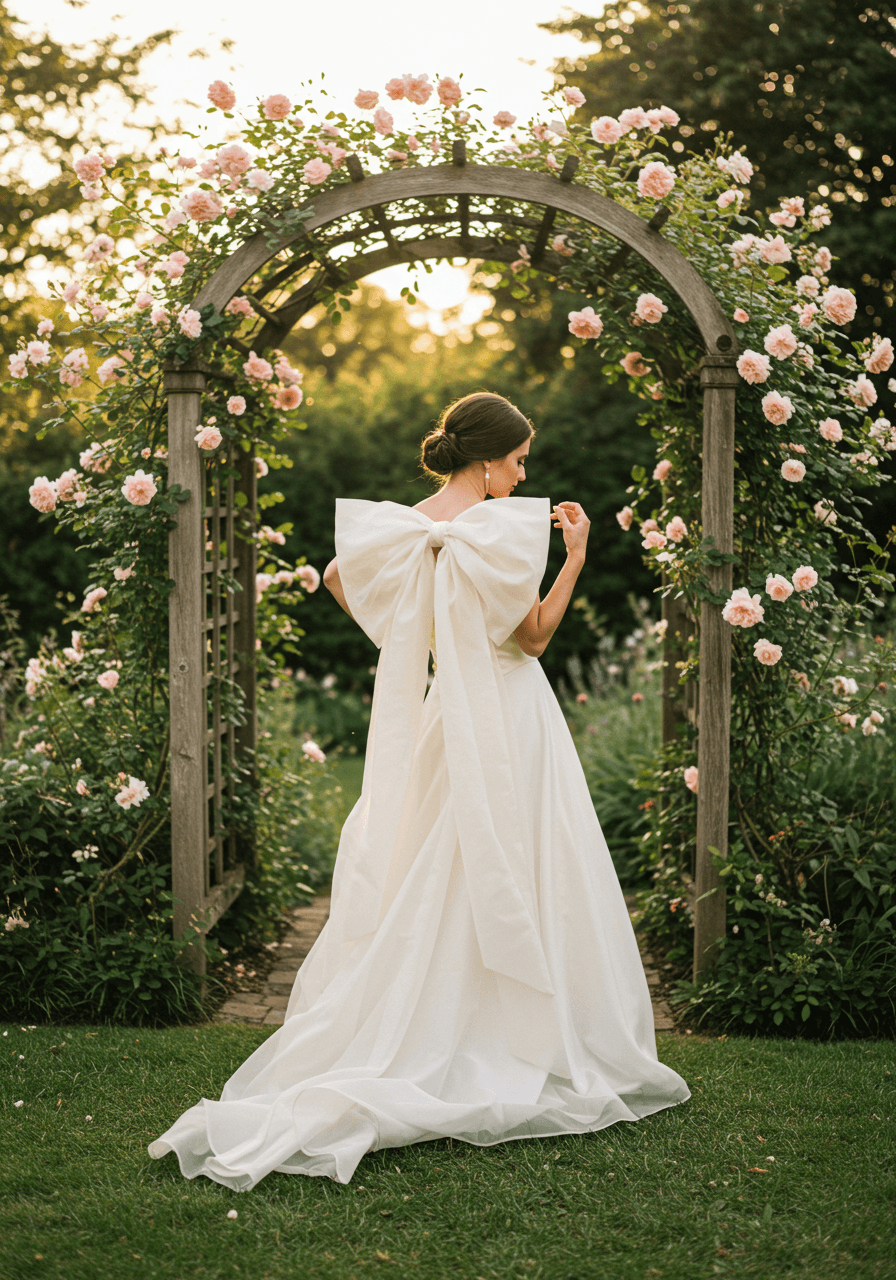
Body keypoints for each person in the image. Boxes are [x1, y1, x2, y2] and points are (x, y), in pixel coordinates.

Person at [148, 391, 690, 1190]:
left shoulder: (409, 524)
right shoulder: (499, 531)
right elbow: (533, 638)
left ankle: (443, 1016)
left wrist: (410, 631)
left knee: (441, 862)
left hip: (447, 712)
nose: (523, 474)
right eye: (517, 461)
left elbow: (336, 574)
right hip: (506, 713)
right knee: (516, 856)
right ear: (486, 460)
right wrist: (575, 556)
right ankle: (514, 1027)